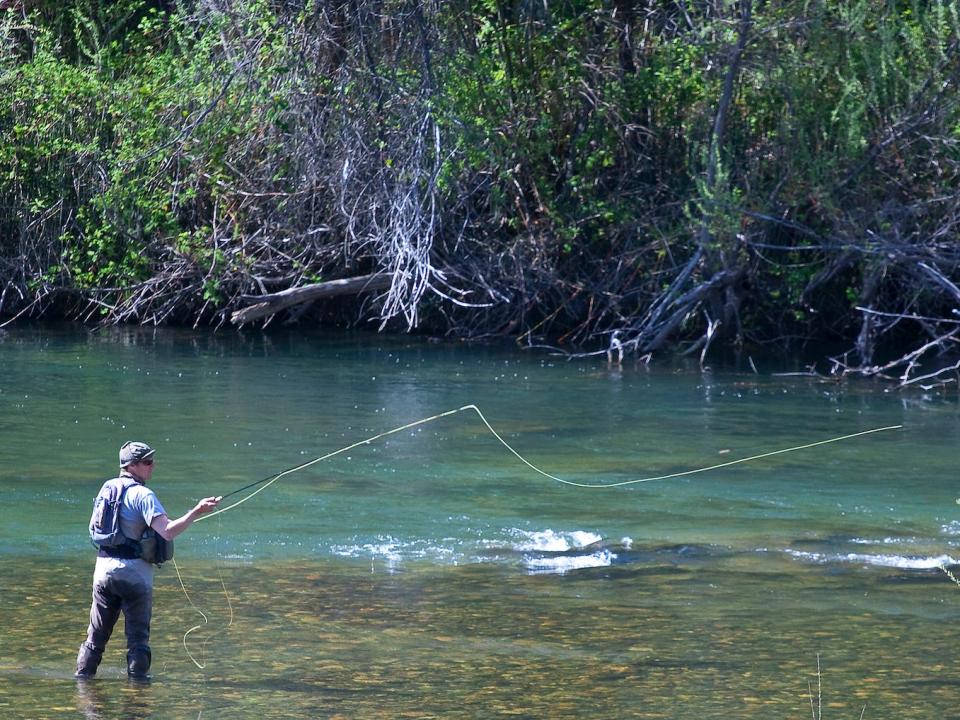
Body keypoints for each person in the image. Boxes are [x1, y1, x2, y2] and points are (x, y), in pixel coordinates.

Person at [75, 441, 221, 680]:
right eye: (148, 462)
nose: (153, 466)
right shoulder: (143, 495)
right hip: (135, 576)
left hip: (103, 571)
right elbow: (168, 531)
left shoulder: (106, 488)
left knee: (96, 636)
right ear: (132, 466)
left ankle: (82, 683)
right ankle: (138, 695)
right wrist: (196, 511)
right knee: (138, 640)